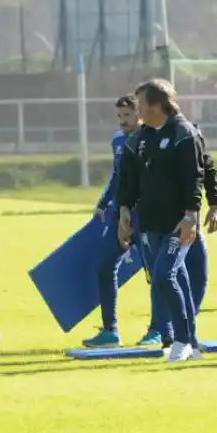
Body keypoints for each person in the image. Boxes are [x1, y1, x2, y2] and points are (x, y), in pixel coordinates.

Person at [117, 78, 205, 363]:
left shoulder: (183, 134)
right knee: (174, 278)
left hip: (178, 224)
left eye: (140, 103)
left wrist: (192, 215)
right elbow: (127, 179)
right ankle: (192, 343)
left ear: (156, 104)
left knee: (164, 276)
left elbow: (195, 178)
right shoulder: (139, 139)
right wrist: (124, 211)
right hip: (150, 225)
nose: (137, 108)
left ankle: (180, 342)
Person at [82, 94, 149, 348]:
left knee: (155, 272)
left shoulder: (148, 138)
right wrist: (103, 203)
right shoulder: (118, 140)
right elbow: (117, 176)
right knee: (105, 265)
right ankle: (111, 330)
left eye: (127, 115)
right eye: (119, 116)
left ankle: (159, 329)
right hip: (121, 213)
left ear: (139, 113)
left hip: (146, 214)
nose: (123, 121)